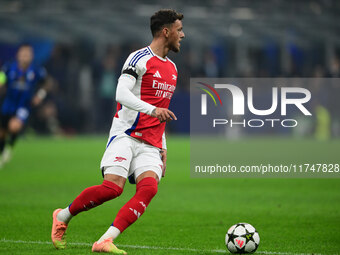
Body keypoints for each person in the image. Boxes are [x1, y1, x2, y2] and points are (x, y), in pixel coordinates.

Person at [51, 9, 185, 254]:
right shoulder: (139, 58)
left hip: (152, 142)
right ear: (166, 32)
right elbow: (121, 94)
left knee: (149, 189)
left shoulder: (173, 69)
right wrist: (153, 110)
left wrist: (163, 146)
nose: (182, 35)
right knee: (113, 188)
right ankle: (62, 215)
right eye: (179, 30)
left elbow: (163, 111)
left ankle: (105, 240)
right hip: (126, 134)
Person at [0, 44, 48, 167]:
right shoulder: (9, 67)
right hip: (8, 104)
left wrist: (40, 96)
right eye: (23, 54)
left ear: (31, 56)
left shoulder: (36, 70)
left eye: (27, 54)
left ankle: (9, 148)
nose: (25, 57)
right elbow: (2, 79)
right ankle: (3, 151)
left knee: (14, 126)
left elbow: (47, 83)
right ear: (18, 55)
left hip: (24, 105)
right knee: (2, 132)